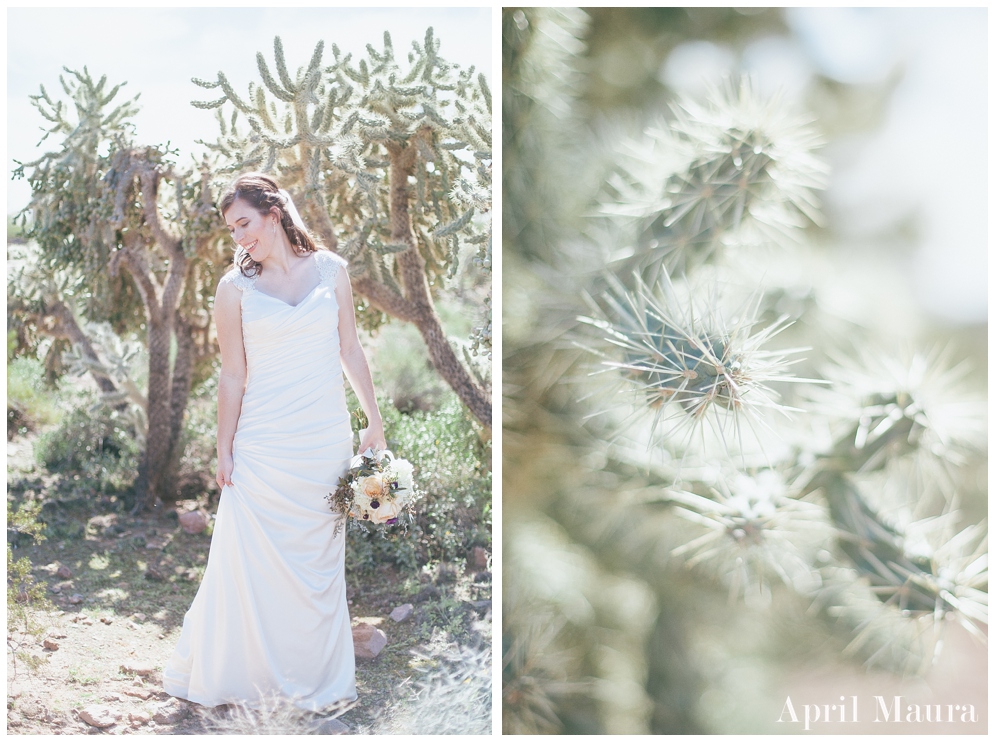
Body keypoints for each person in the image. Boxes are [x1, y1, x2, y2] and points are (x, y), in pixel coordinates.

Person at [162, 172, 386, 712]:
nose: (239, 237)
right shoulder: (232, 288)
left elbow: (350, 351)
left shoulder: (331, 271)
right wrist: (225, 446)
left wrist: (374, 421)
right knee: (249, 562)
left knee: (317, 563)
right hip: (262, 442)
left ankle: (313, 679)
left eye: (245, 223)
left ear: (274, 214)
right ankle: (246, 677)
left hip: (322, 440)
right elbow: (232, 375)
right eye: (231, 229)